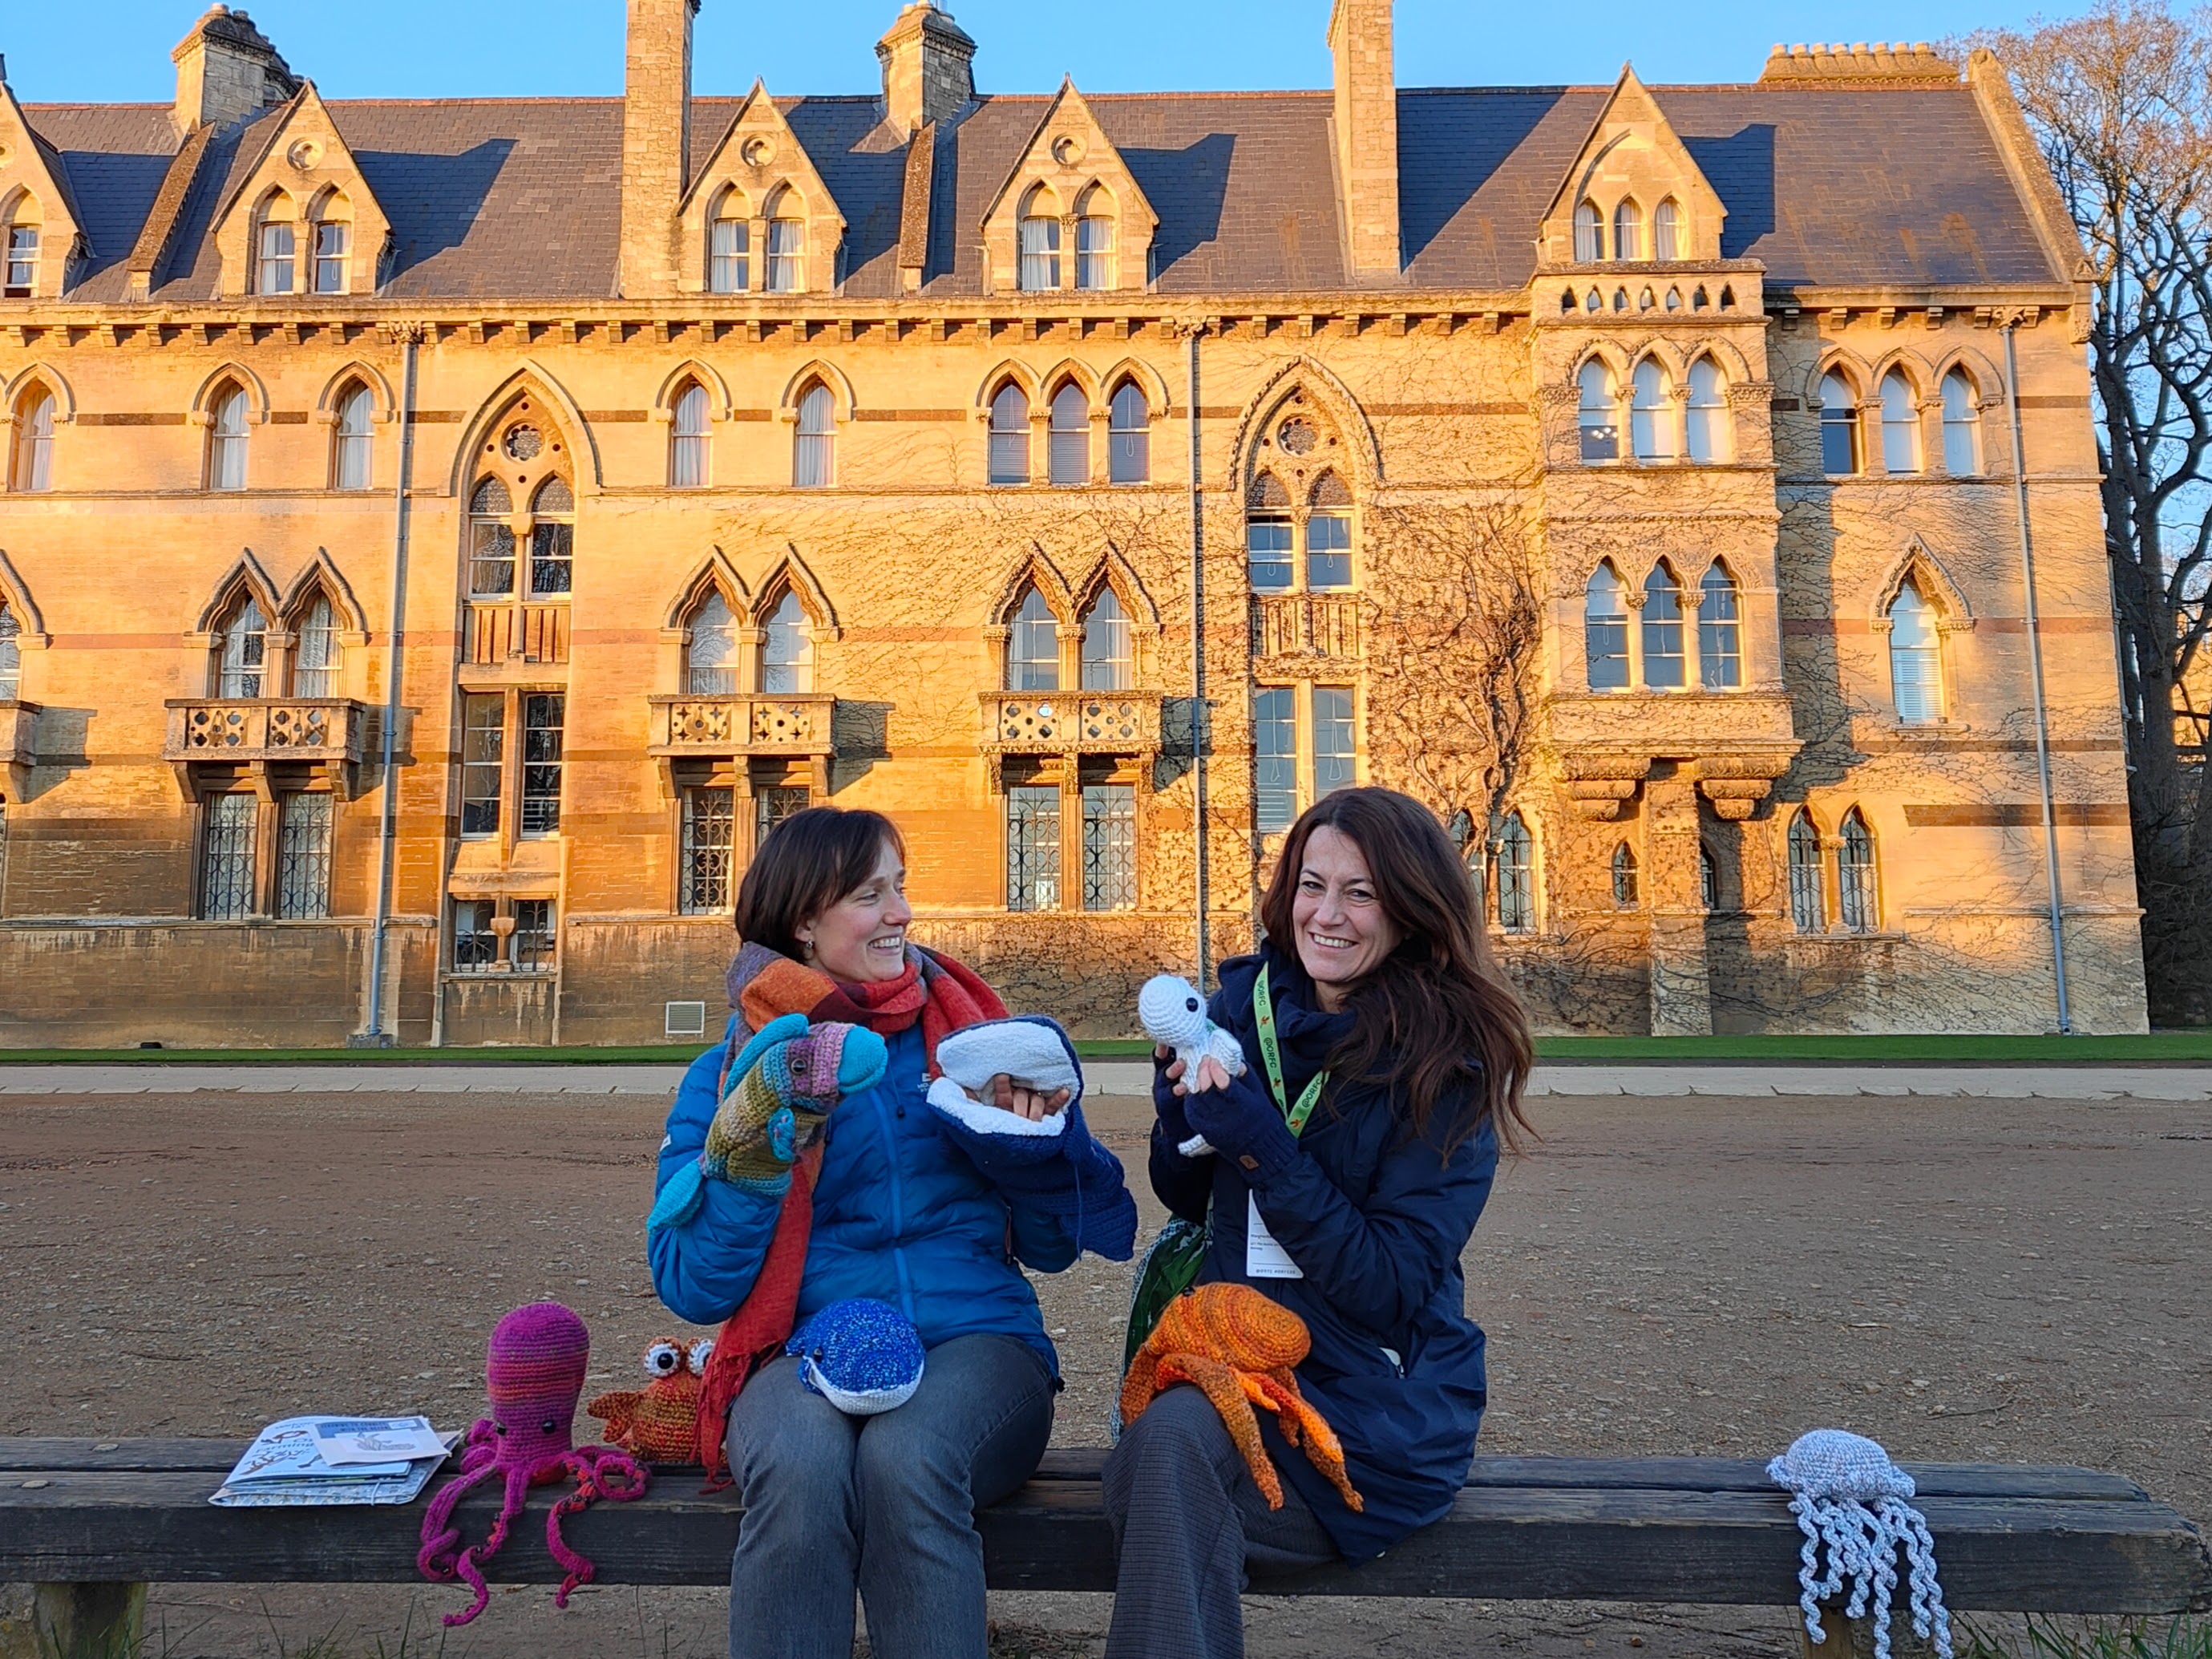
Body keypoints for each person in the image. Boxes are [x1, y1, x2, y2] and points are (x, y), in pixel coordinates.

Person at [649, 805, 1135, 1659]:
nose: (902, 912)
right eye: (870, 894)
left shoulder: (977, 1042)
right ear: (803, 919)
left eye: (899, 887)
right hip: (797, 1349)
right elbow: (693, 1285)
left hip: (979, 1340)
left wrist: (1034, 1145)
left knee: (906, 1460)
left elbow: (1056, 1245)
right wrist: (758, 1149)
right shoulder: (731, 1068)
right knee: (801, 1468)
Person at [1104, 786, 1535, 1659]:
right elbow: (1192, 1204)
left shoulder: (1444, 1062)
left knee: (1160, 1480)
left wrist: (1264, 1142)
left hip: (1369, 1396)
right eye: (1311, 883)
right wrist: (1176, 1118)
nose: (1325, 915)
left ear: (1413, 912)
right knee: (1161, 1461)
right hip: (1244, 1355)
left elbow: (1386, 1286)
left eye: (1360, 892)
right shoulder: (1240, 1008)